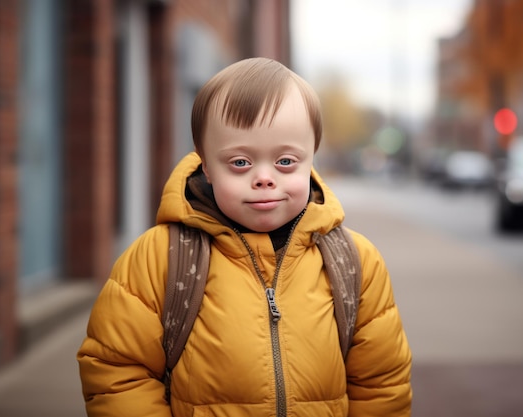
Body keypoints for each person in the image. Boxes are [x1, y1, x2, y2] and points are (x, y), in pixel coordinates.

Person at [77, 57, 412, 416]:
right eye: (240, 163)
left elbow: (381, 383)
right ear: (206, 166)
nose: (264, 178)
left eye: (285, 161)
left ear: (311, 158)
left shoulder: (354, 261)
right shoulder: (160, 256)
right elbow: (118, 372)